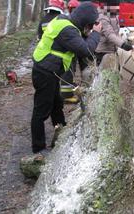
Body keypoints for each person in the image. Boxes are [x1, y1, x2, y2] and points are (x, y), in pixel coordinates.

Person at [31, 1, 102, 153]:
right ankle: (38, 149)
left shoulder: (65, 21)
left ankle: (62, 132)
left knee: (57, 103)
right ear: (84, 21)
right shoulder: (68, 30)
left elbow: (80, 38)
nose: (89, 28)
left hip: (50, 69)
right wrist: (96, 33)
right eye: (89, 25)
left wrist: (88, 32)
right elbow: (87, 51)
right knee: (41, 110)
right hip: (45, 71)